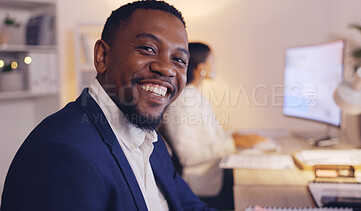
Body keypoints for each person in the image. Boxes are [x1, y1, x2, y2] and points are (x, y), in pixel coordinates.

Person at [1, 1, 216, 211]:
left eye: (179, 60)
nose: (166, 69)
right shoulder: (62, 153)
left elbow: (188, 205)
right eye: (148, 48)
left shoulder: (150, 139)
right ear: (102, 56)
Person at [159, 42, 267, 210]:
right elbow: (189, 156)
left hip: (214, 173)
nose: (216, 65)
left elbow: (208, 137)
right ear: (201, 67)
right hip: (202, 186)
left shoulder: (195, 94)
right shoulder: (184, 101)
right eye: (213, 60)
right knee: (258, 192)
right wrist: (232, 142)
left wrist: (235, 136)